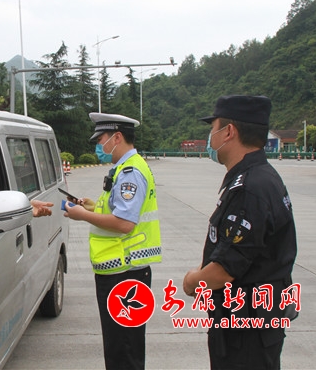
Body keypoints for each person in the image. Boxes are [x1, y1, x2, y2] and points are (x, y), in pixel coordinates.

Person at [183, 95, 298, 369]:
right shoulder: (261, 177)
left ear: (229, 132)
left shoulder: (250, 188)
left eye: (214, 129)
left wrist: (192, 281)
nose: (211, 137)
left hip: (245, 332)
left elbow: (225, 269)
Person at [64, 112, 162, 370]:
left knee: (123, 351)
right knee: (121, 347)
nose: (98, 146)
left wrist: (83, 216)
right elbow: (120, 211)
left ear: (117, 138)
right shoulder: (126, 168)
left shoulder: (130, 172)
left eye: (101, 140)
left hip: (125, 274)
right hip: (122, 272)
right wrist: (93, 207)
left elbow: (125, 223)